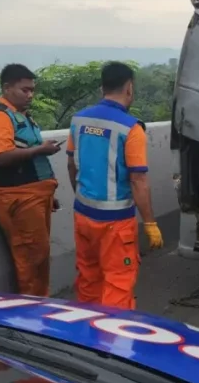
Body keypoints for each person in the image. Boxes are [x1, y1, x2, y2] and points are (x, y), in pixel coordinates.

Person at [67, 62, 164, 309]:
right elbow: (138, 180)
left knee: (88, 279)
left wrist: (80, 195)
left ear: (102, 88)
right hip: (115, 223)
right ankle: (111, 343)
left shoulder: (78, 120)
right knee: (118, 284)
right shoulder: (131, 128)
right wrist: (150, 223)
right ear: (129, 88)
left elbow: (71, 165)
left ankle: (86, 337)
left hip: (83, 215)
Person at [0, 64, 62, 296]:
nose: (30, 95)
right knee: (31, 256)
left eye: (32, 90)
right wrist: (40, 150)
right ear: (6, 88)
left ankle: (40, 303)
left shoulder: (21, 116)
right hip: (17, 198)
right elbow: (2, 156)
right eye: (24, 90)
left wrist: (47, 195)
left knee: (40, 254)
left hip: (35, 196)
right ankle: (32, 310)